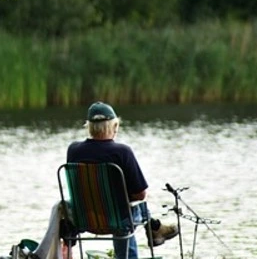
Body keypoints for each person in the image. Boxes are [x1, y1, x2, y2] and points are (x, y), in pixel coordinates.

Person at [65, 101, 178, 259]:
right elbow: (140, 194)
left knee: (122, 210)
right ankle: (154, 229)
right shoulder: (122, 152)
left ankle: (155, 229)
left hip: (84, 219)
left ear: (88, 127)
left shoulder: (73, 150)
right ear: (115, 126)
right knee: (132, 208)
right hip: (118, 221)